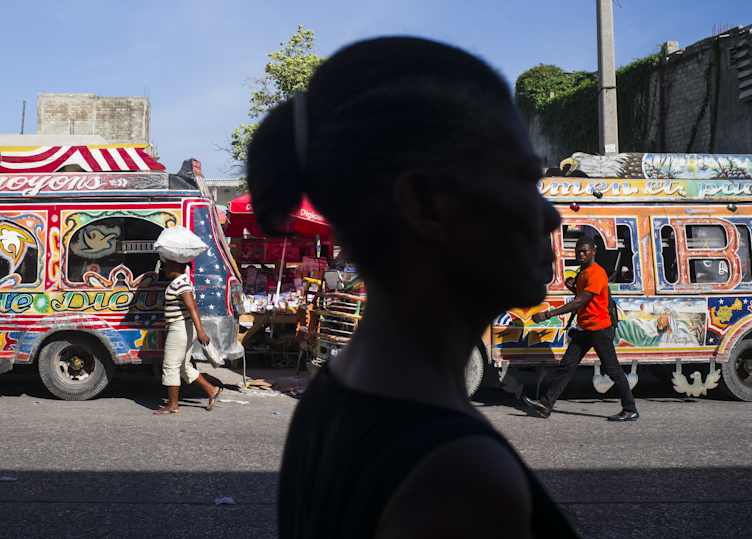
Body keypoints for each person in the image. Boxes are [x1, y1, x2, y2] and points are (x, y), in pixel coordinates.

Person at [247, 37, 577, 538]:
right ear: (425, 204)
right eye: (524, 179)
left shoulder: (334, 393)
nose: (549, 213)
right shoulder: (462, 479)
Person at [524, 236, 639, 422]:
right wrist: (573, 287)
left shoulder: (596, 273)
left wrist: (548, 315)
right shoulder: (583, 272)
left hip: (599, 329)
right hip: (584, 328)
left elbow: (580, 301)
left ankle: (630, 409)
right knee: (567, 366)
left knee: (613, 370)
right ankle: (546, 404)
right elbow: (584, 297)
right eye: (578, 251)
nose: (581, 254)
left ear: (594, 251)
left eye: (585, 251)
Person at [153, 258, 221, 414]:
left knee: (171, 366)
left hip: (180, 329)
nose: (164, 268)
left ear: (177, 265)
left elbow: (192, 307)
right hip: (182, 328)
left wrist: (201, 331)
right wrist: (198, 330)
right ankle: (211, 390)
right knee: (184, 367)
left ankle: (172, 405)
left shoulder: (181, 283)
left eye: (167, 265)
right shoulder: (181, 281)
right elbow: (193, 307)